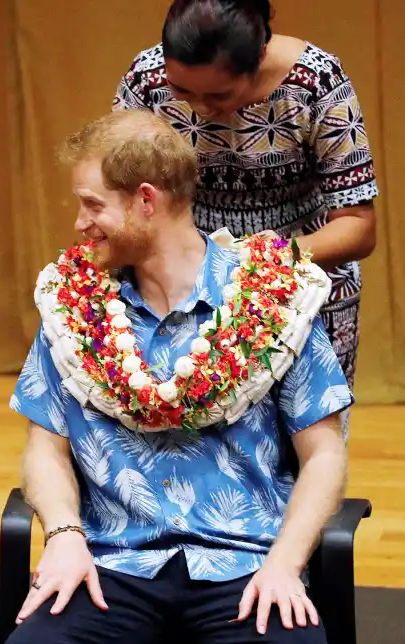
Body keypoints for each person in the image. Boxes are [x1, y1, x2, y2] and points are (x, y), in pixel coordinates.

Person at [7, 110, 350, 644]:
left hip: (246, 567)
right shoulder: (72, 308)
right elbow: (44, 446)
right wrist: (64, 534)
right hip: (109, 566)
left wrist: (285, 564)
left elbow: (324, 454)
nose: (79, 223)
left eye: (93, 205)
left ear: (146, 200)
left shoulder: (275, 299)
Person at [113, 0, 377, 436]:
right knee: (190, 442)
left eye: (219, 95)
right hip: (183, 289)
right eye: (182, 92)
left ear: (259, 57)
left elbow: (359, 226)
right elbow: (121, 195)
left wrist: (260, 259)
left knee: (308, 445)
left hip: (301, 285)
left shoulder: (317, 82)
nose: (200, 109)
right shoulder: (146, 81)